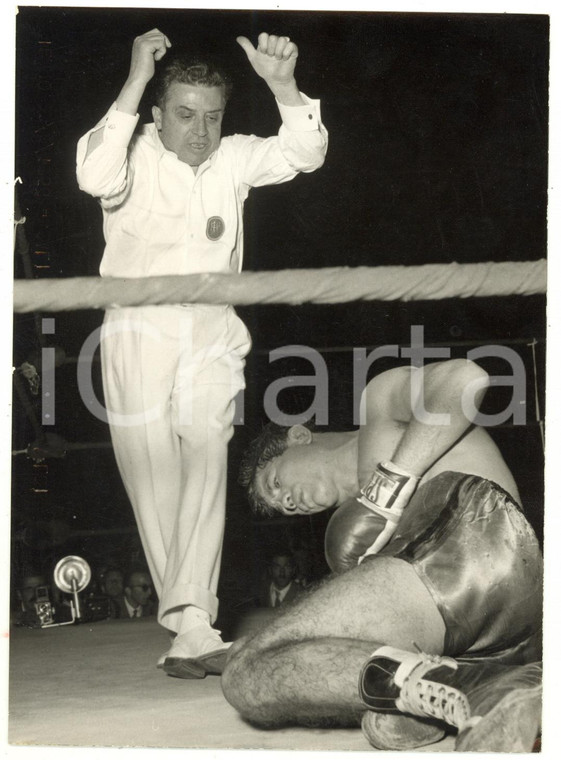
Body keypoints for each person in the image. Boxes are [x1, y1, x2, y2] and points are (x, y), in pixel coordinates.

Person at [76, 28, 327, 677]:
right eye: (184, 115)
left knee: (208, 455)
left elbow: (306, 153)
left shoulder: (235, 157)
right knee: (155, 475)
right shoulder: (128, 152)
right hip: (138, 329)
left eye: (211, 117)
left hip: (212, 328)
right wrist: (135, 79)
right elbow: (91, 172)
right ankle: (189, 625)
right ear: (158, 114)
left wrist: (281, 85)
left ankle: (193, 619)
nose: (199, 131)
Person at [222, 359, 543, 751]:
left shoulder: (376, 404)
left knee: (246, 668)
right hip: (494, 634)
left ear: (300, 435)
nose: (288, 501)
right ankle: (474, 686)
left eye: (276, 482)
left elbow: (465, 379)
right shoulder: (349, 537)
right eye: (282, 506)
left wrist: (387, 488)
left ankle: (466, 687)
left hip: (481, 537)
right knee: (254, 669)